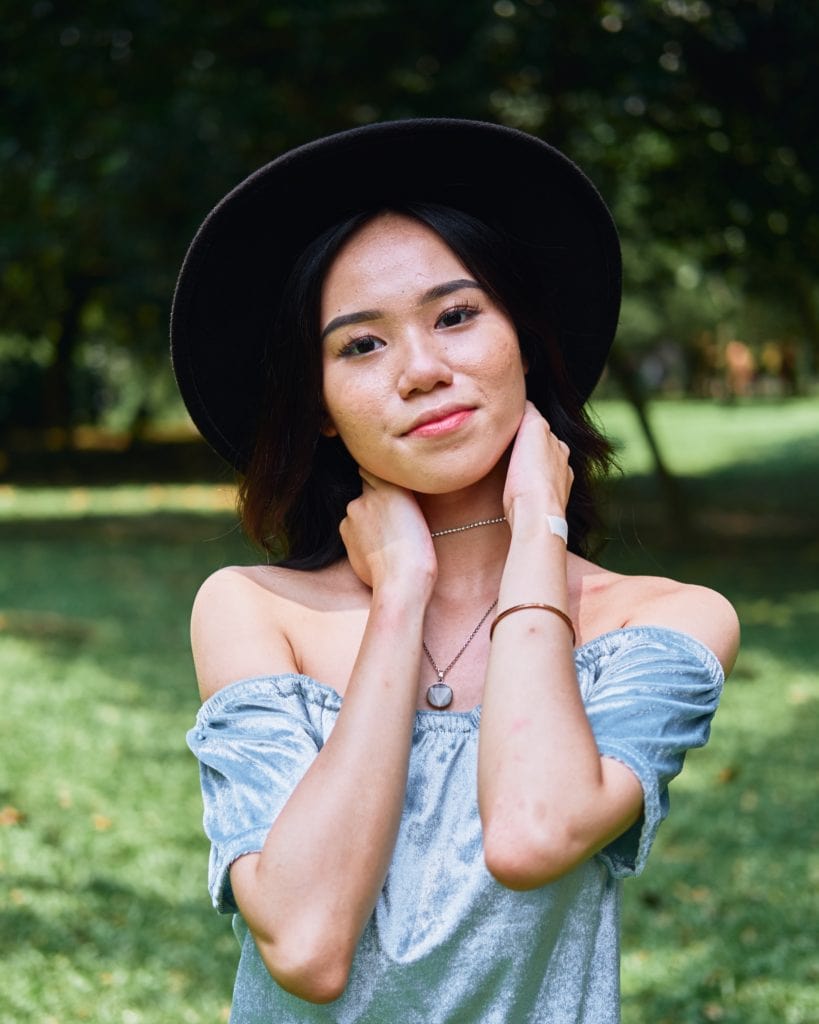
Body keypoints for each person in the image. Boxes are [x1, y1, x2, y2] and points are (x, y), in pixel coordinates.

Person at [171, 119, 739, 1024]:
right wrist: (400, 598)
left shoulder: (662, 623)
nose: (423, 371)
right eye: (361, 345)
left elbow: (530, 829)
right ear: (318, 407)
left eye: (456, 315)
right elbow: (307, 945)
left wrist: (537, 530)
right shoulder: (253, 609)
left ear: (523, 336)